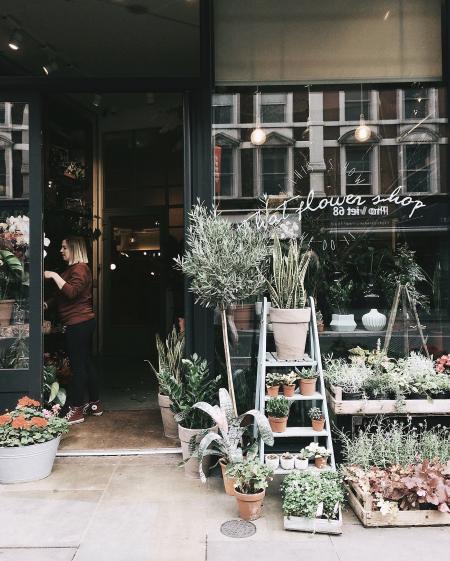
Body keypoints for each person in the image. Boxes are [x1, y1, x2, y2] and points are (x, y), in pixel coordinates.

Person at [44, 236, 102, 424]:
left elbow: (71, 292)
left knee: (78, 367)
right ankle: (95, 404)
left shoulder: (80, 268)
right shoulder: (72, 269)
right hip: (81, 323)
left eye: (64, 248)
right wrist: (46, 304)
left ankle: (76, 410)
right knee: (85, 363)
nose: (61, 251)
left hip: (78, 325)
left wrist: (53, 275)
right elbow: (62, 295)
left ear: (74, 249)